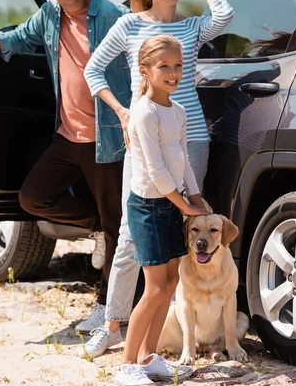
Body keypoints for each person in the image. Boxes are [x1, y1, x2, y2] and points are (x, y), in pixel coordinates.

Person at [0, 0, 131, 333]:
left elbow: (142, 56)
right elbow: (22, 36)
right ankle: (96, 227)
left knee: (118, 226)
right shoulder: (50, 15)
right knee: (33, 198)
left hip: (108, 138)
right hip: (68, 134)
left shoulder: (113, 17)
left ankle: (108, 309)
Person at [83, 0, 234, 360]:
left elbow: (224, 15)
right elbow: (92, 69)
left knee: (178, 236)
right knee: (133, 237)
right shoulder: (130, 25)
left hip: (191, 139)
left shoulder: (191, 28)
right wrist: (122, 111)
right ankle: (112, 324)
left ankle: (160, 334)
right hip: (145, 138)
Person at [114, 34, 208, 386]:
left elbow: (181, 161)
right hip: (149, 208)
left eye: (178, 66)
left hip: (172, 205)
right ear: (145, 71)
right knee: (153, 288)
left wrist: (195, 198)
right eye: (164, 66)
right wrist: (185, 206)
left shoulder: (178, 111)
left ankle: (149, 358)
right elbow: (155, 170)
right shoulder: (143, 113)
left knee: (170, 284)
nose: (173, 72)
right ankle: (126, 365)